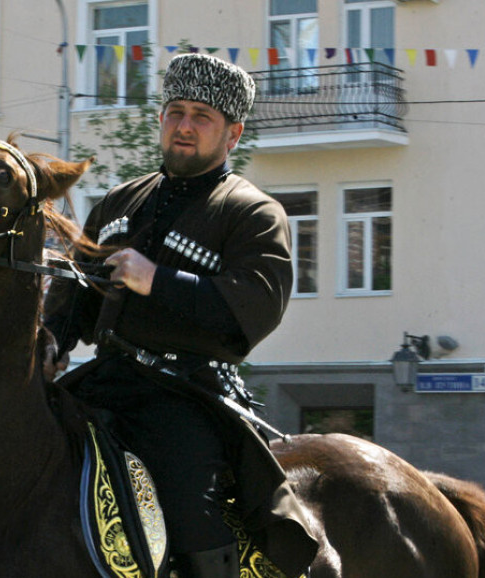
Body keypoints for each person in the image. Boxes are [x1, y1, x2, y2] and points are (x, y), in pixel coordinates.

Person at [43, 53, 317, 578]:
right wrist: (53, 338)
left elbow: (255, 308)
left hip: (187, 392)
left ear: (232, 134)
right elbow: (75, 294)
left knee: (191, 504)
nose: (184, 126)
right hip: (104, 381)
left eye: (202, 117)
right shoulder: (121, 200)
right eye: (176, 112)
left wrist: (158, 281)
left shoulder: (253, 212)